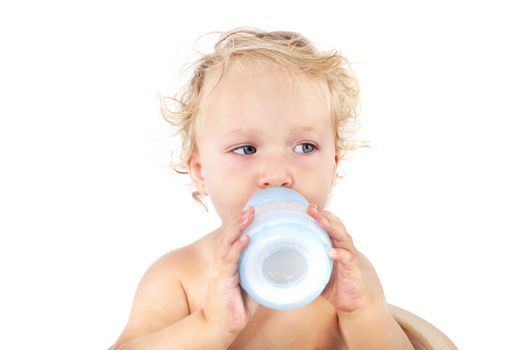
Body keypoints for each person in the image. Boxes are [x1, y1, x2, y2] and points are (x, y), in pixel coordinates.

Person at [109, 27, 415, 350]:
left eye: (305, 147)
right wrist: (210, 327)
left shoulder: (347, 276)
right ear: (200, 171)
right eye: (246, 150)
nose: (277, 174)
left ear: (334, 165)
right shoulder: (179, 280)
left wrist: (360, 313)